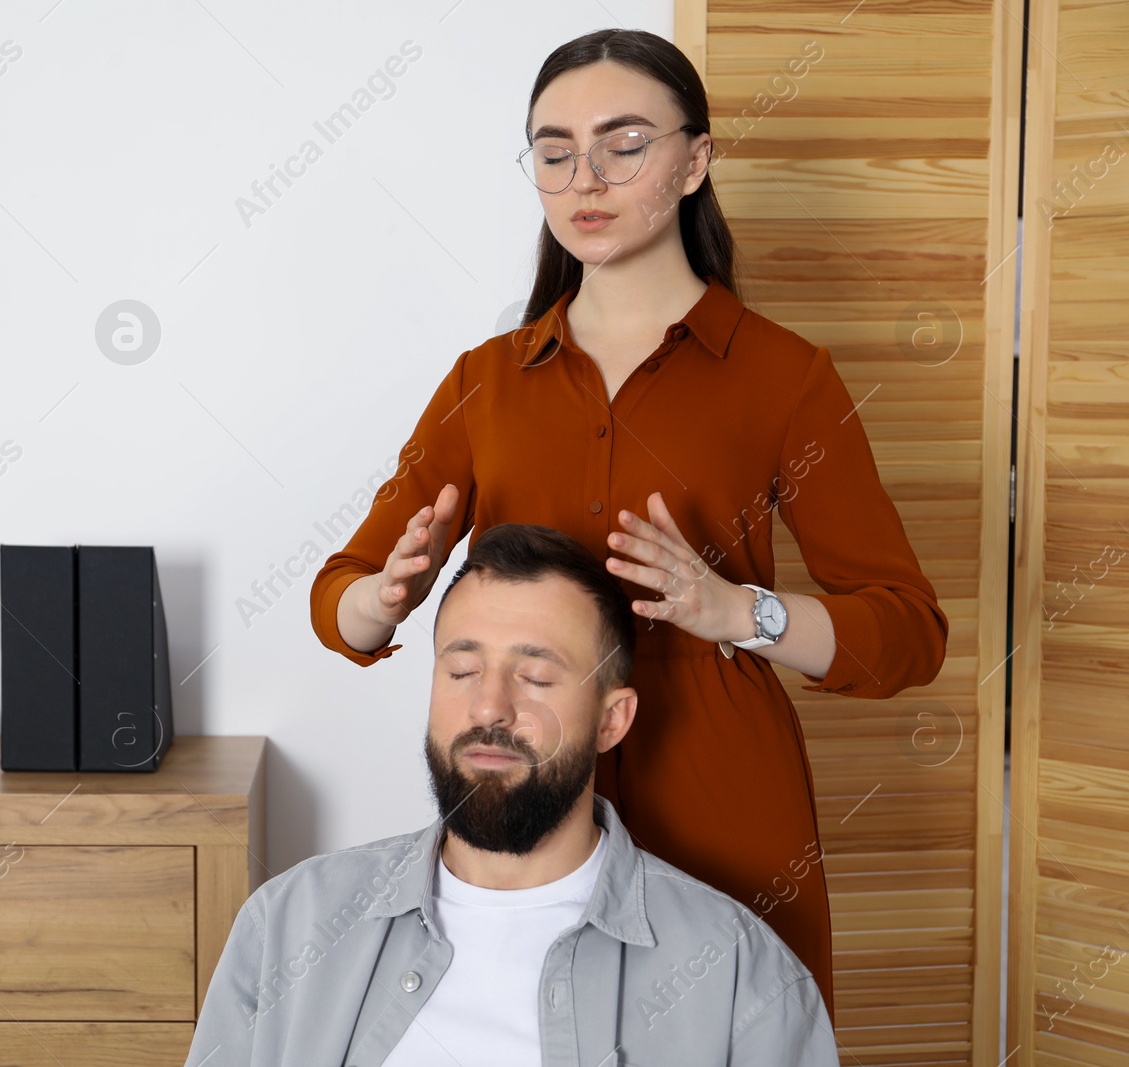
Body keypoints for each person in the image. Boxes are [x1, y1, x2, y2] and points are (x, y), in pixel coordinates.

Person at [308, 28, 948, 1024]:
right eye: (554, 150)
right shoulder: (485, 381)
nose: (585, 178)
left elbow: (908, 630)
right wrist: (382, 596)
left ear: (694, 160)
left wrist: (740, 609)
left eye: (623, 143)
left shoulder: (785, 378)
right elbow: (339, 602)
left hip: (726, 800)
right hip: (523, 794)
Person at [190, 524, 841, 1065]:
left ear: (612, 719)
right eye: (463, 669)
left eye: (535, 676)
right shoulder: (286, 927)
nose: (489, 706)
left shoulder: (739, 980)